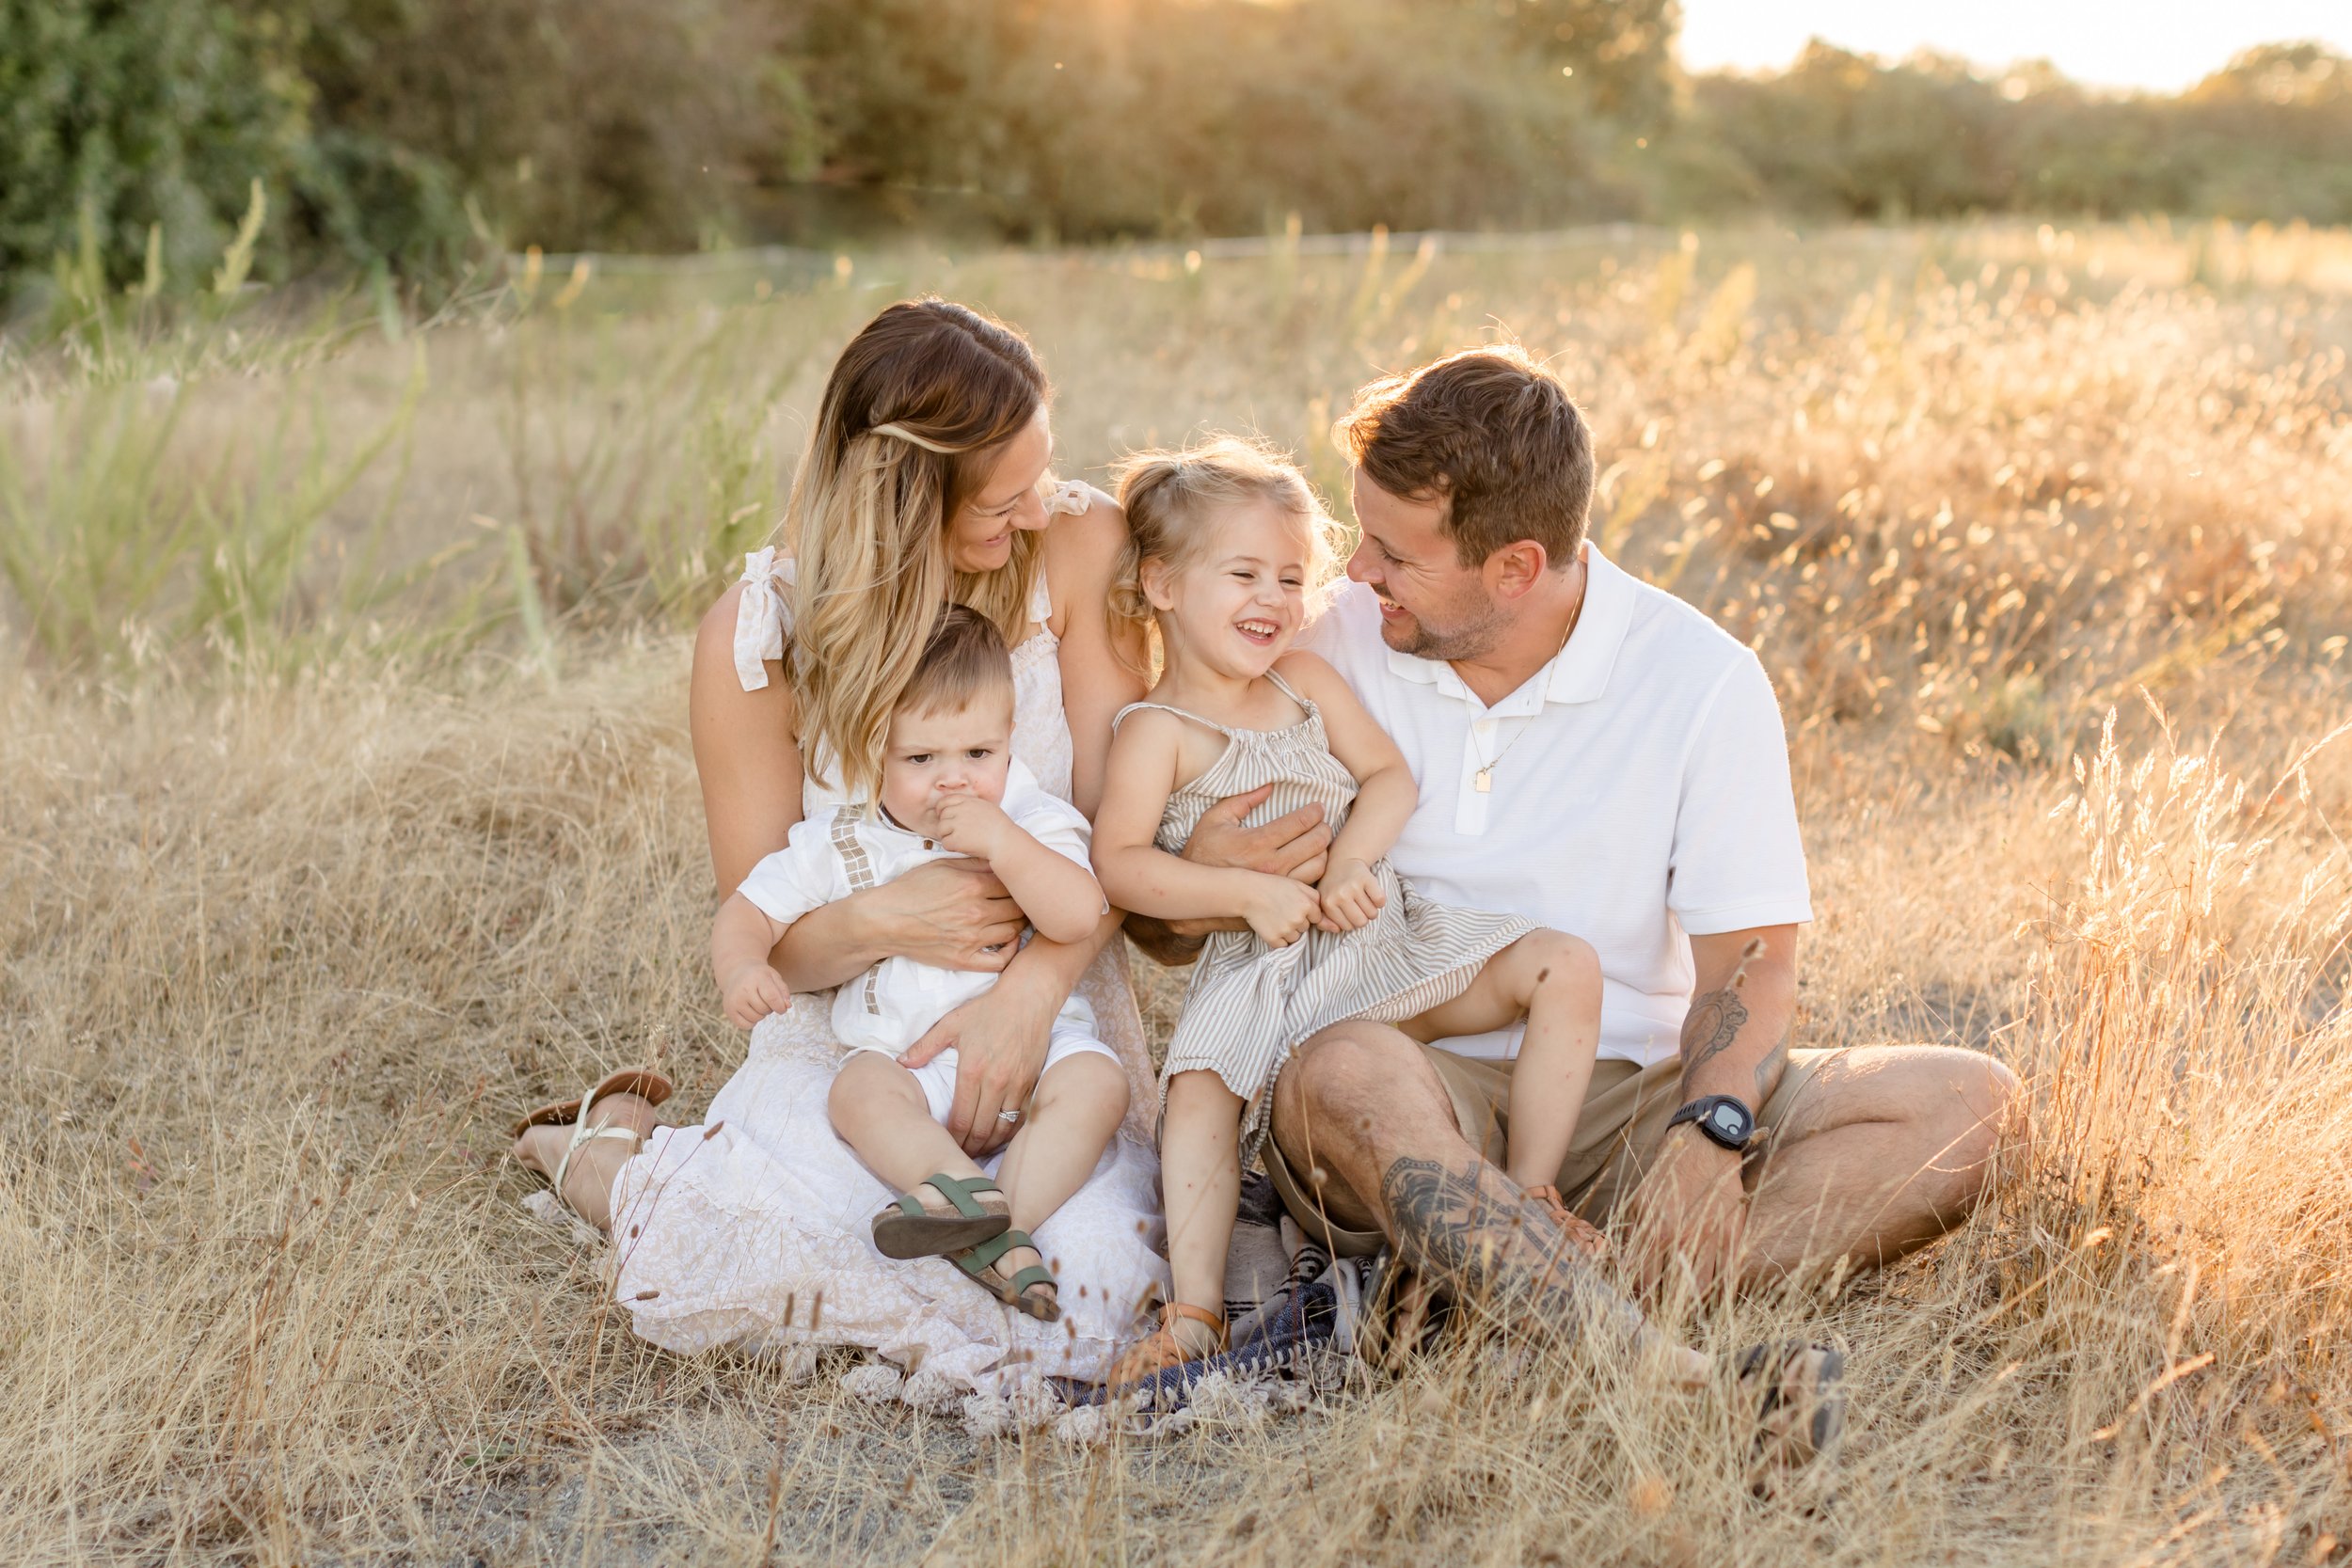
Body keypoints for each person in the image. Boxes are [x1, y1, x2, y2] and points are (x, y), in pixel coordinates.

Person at [1129, 345, 2021, 1354]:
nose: (1357, 570)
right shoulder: (1324, 641)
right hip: (1407, 1089)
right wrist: (1197, 873)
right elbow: (1163, 928)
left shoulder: (1699, 679)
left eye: (1394, 552)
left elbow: (1754, 964)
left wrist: (1709, 1132)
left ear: (1513, 567)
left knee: (1964, 1103)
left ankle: (1505, 1306)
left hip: (1624, 1097)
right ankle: (1621, 1334)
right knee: (1344, 1074)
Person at [511, 298, 1168, 1393]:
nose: (1039, 506)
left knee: (1095, 1285)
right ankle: (597, 1153)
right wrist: (878, 920)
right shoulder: (755, 634)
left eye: (1040, 473)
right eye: (1002, 498)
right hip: (859, 1037)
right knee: (768, 1250)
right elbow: (770, 931)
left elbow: (1111, 842)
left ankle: (994, 1218)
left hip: (1047, 1008)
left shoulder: (1076, 545)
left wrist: (1029, 997)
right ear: (907, 496)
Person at [1089, 438, 1608, 1383]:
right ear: (1160, 585)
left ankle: (1533, 1191)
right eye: (1242, 573)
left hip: (1378, 941)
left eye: (1290, 576)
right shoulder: (1154, 733)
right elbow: (1121, 867)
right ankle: (1196, 1307)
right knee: (1198, 1088)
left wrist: (1354, 861)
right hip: (1266, 967)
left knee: (1564, 964)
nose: (1274, 600)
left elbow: (1386, 776)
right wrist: (1244, 892)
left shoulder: (1306, 684)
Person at [711, 607, 1130, 1321]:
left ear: (1008, 741)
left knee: (1098, 1082)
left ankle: (1001, 1225)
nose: (952, 782)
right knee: (857, 1092)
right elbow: (747, 908)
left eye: (978, 754)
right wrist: (742, 966)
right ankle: (956, 1189)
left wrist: (1004, 843)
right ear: (876, 751)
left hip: (1034, 1051)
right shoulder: (846, 839)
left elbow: (1077, 913)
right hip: (904, 1059)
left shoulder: (1030, 817)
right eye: (921, 759)